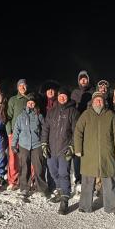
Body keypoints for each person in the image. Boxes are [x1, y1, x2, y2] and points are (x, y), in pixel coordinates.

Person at [74, 92, 115, 214]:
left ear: (104, 102)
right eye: (96, 100)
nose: (98, 102)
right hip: (89, 154)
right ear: (92, 102)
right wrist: (78, 149)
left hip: (107, 153)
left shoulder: (110, 115)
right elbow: (78, 132)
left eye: (100, 100)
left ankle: (112, 206)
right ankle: (85, 206)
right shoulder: (86, 115)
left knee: (109, 180)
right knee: (87, 181)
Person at [41, 87, 79, 215]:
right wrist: (44, 143)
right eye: (60, 96)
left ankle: (65, 199)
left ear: (67, 97)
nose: (62, 97)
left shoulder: (73, 112)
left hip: (64, 148)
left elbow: (76, 132)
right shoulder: (52, 111)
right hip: (52, 148)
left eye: (64, 96)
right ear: (57, 97)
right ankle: (61, 190)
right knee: (53, 171)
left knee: (64, 173)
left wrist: (72, 147)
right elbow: (46, 128)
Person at [12, 93, 48, 198]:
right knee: (24, 167)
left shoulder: (39, 115)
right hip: (24, 145)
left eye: (32, 102)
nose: (31, 104)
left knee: (39, 167)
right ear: (26, 104)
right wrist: (14, 144)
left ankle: (41, 188)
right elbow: (16, 131)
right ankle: (24, 188)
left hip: (37, 145)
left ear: (35, 104)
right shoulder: (21, 116)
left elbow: (45, 129)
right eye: (29, 102)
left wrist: (44, 141)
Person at [70, 70, 95, 192]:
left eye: (85, 78)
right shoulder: (74, 93)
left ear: (88, 80)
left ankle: (89, 177)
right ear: (79, 80)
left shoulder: (93, 92)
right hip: (76, 127)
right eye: (81, 78)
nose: (83, 80)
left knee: (89, 153)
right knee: (77, 154)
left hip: (89, 127)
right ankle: (78, 179)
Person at [5, 78, 29, 190]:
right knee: (13, 158)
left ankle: (28, 180)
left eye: (24, 85)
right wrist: (9, 132)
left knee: (26, 158)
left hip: (28, 134)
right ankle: (13, 181)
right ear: (17, 87)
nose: (22, 87)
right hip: (15, 134)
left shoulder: (31, 99)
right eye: (20, 86)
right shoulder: (13, 100)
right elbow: (8, 117)